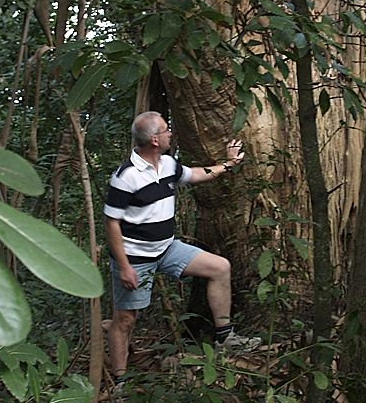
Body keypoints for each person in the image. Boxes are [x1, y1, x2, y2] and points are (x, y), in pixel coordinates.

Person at [104, 111, 261, 388]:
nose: (170, 133)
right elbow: (112, 223)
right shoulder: (125, 177)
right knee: (125, 319)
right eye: (166, 130)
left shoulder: (167, 164)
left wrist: (229, 164)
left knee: (220, 267)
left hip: (166, 248)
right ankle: (120, 380)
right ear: (154, 139)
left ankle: (225, 336)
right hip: (135, 258)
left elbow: (195, 175)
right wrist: (125, 266)